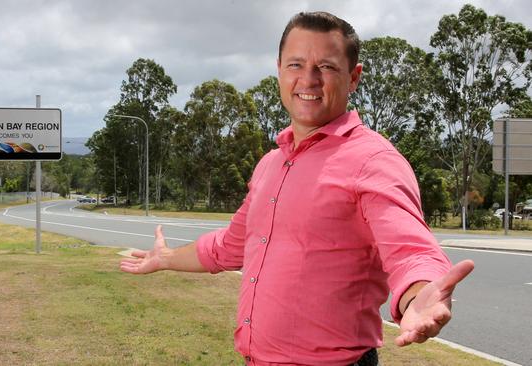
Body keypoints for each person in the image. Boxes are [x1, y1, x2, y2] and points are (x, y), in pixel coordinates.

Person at [120, 11, 474, 366]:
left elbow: (410, 250)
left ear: (354, 78)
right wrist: (164, 258)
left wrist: (418, 294)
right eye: (296, 64)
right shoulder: (270, 164)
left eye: (327, 67)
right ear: (279, 70)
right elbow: (231, 246)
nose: (309, 79)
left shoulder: (373, 160)